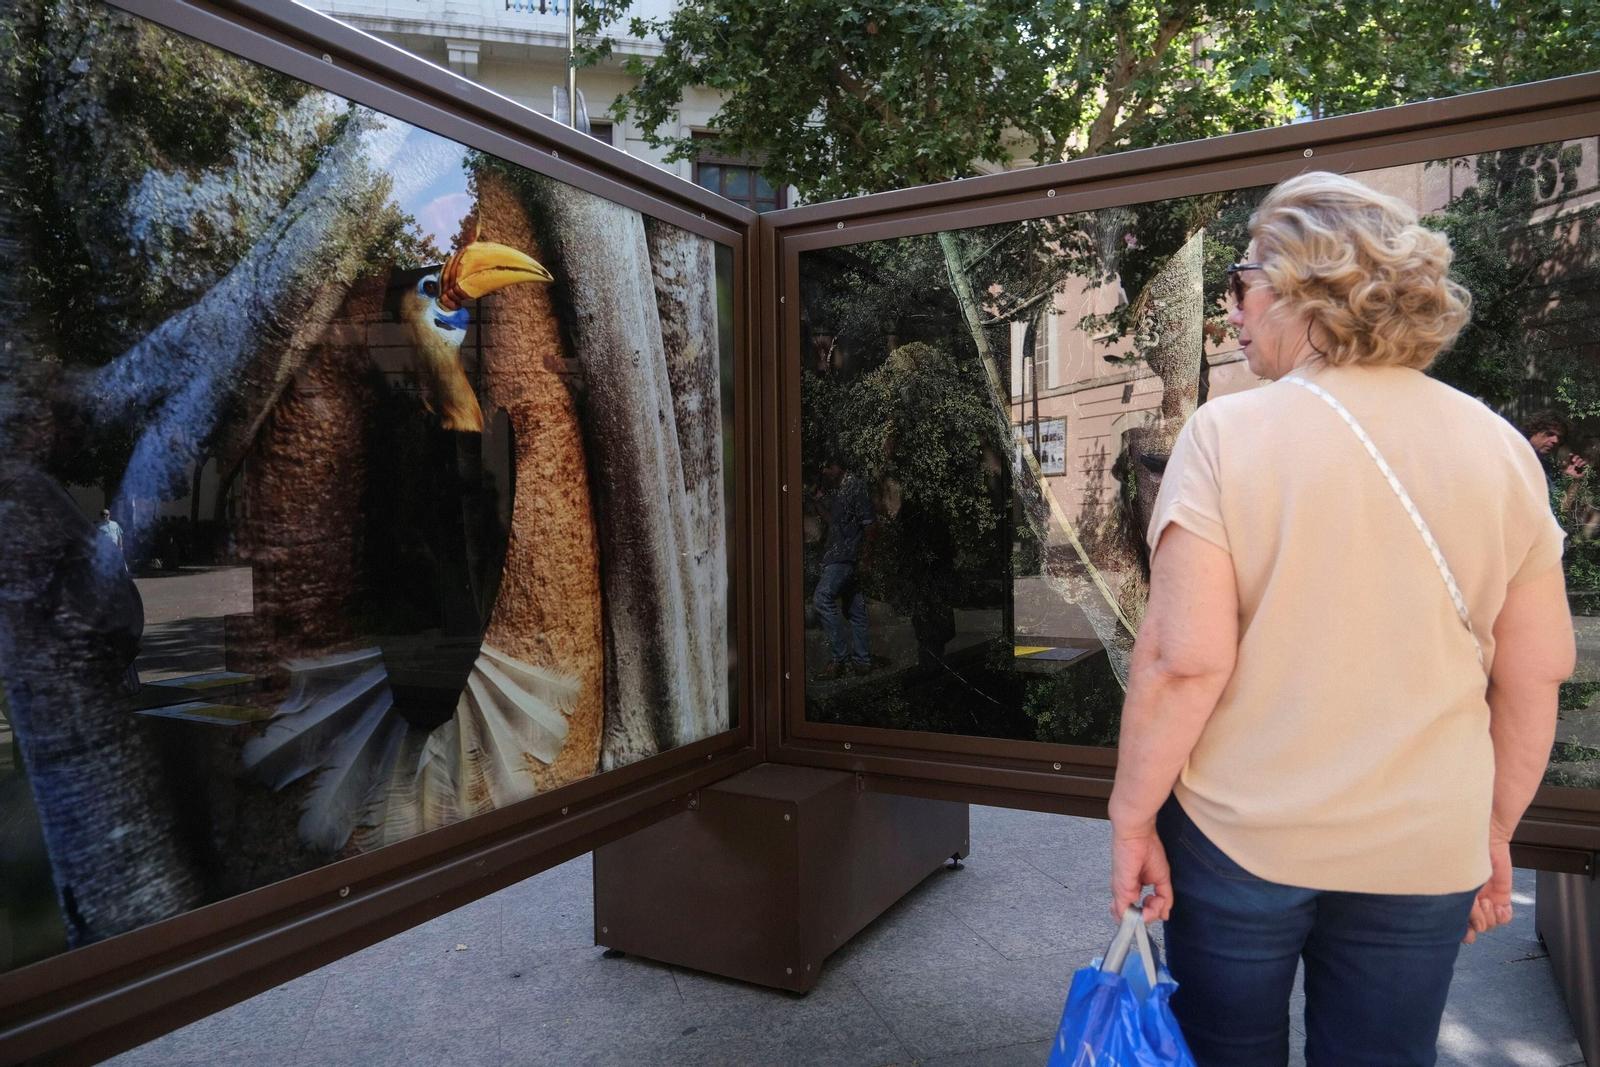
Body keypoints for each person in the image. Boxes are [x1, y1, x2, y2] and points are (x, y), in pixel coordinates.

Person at [1107, 172, 1573, 1067]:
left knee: (1223, 1051)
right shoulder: (1504, 451)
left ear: (1297, 285)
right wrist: (1494, 832)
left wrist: (1132, 821)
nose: (1231, 310)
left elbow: (1180, 660)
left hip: (1240, 839)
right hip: (1425, 846)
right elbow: (1536, 669)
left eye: (1240, 282)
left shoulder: (1228, 435)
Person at [812, 459, 875, 678]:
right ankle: (862, 661)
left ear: (840, 465)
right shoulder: (842, 490)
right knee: (855, 610)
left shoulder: (855, 486)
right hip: (842, 556)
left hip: (845, 557)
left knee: (821, 598)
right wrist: (818, 502)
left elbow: (870, 523)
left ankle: (838, 659)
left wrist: (866, 558)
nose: (824, 470)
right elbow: (833, 522)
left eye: (828, 465)